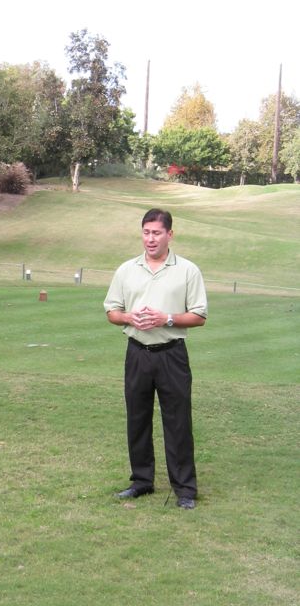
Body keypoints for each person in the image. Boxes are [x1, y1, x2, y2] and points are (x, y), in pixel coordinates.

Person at [104, 209, 208, 510]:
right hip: (137, 352)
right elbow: (112, 312)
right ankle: (141, 481)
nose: (150, 239)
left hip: (171, 354)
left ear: (169, 235)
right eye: (146, 232)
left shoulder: (187, 271)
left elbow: (199, 316)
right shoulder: (126, 270)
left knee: (178, 422)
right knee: (137, 419)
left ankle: (185, 489)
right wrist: (128, 317)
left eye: (157, 233)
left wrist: (167, 318)